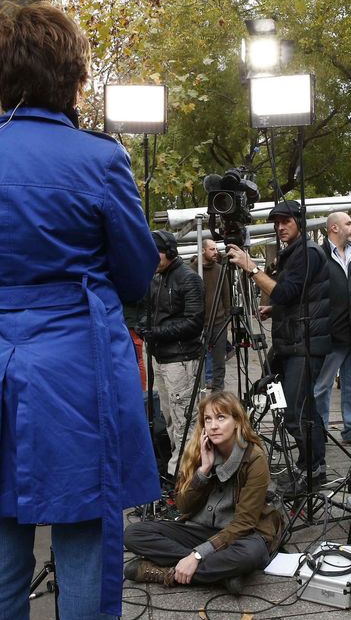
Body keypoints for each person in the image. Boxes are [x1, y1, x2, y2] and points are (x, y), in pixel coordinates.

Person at [0, 2, 160, 620]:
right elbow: (137, 274)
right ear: (75, 77)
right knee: (86, 533)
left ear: (0, 76)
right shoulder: (100, 159)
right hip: (78, 365)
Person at [123, 392, 284, 593]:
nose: (213, 425)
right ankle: (222, 575)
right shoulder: (199, 451)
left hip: (241, 535)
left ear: (237, 422)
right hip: (201, 530)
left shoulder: (254, 458)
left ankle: (167, 573)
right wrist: (204, 470)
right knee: (133, 533)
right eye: (208, 419)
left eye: (221, 417)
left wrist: (196, 557)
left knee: (250, 555)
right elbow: (182, 506)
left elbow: (245, 523)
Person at [226, 200, 330, 496]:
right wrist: (275, 309)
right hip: (291, 340)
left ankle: (312, 470)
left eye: (286, 221)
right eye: (277, 222)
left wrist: (251, 266)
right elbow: (295, 296)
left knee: (297, 410)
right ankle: (309, 463)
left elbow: (284, 291)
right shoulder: (294, 252)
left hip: (305, 343)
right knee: (283, 401)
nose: (280, 227)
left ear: (300, 221)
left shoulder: (307, 252)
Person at [139, 230, 204, 475]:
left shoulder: (188, 279)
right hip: (161, 357)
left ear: (170, 252)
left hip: (181, 358)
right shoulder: (156, 278)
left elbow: (194, 322)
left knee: (184, 420)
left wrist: (156, 332)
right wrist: (145, 326)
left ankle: (186, 475)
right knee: (169, 419)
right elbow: (150, 310)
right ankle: (177, 469)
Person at [313, 212, 351, 444]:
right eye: (349, 223)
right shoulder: (318, 256)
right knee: (322, 387)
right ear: (334, 228)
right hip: (331, 335)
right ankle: (319, 431)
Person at [200, 238, 232, 392]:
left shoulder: (220, 270)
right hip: (200, 324)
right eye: (211, 249)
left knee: (219, 361)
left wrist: (226, 317)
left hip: (219, 323)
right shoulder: (193, 269)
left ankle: (218, 394)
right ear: (203, 250)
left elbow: (226, 296)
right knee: (201, 360)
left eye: (216, 249)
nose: (215, 252)